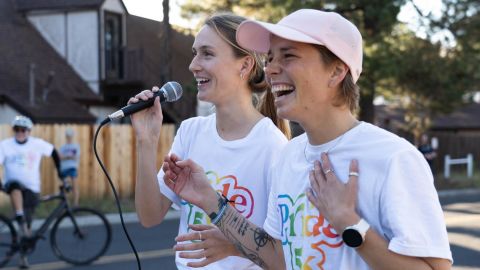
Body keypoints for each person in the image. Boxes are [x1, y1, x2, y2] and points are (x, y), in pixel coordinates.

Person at [161, 9, 453, 270]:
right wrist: (212, 202)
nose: (272, 69)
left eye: (288, 56)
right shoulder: (288, 156)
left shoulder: (392, 158)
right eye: (271, 58)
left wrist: (351, 225)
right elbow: (278, 258)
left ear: (337, 71)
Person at [130, 13, 290, 269]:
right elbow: (149, 217)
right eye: (195, 53)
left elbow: (285, 256)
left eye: (207, 53)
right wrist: (146, 141)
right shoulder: (191, 131)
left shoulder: (274, 147)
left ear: (245, 65)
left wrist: (234, 245)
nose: (193, 65)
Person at [0, 115, 62, 268]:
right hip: (13, 187)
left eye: (23, 130)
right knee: (15, 186)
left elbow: (53, 151)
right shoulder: (5, 145)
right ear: (14, 130)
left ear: (28, 131)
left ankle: (23, 257)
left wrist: (60, 173)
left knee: (27, 226)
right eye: (17, 129)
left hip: (33, 188)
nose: (20, 132)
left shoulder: (37, 144)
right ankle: (19, 217)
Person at [59, 128, 81, 206]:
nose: (69, 137)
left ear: (72, 136)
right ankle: (66, 204)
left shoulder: (76, 146)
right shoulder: (63, 147)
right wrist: (69, 156)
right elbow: (60, 157)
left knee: (75, 186)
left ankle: (76, 204)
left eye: (70, 136)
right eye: (68, 136)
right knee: (65, 187)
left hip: (72, 168)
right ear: (66, 136)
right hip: (64, 168)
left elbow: (76, 157)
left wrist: (66, 156)